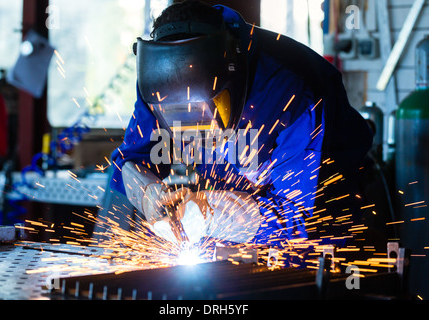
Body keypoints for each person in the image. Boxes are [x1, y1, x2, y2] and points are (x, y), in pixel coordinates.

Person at [110, 1, 373, 248]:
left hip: (321, 224)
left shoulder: (291, 91)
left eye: (201, 112)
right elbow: (131, 161)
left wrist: (212, 213)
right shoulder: (157, 83)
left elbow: (297, 218)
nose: (192, 131)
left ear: (231, 78)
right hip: (225, 227)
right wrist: (148, 193)